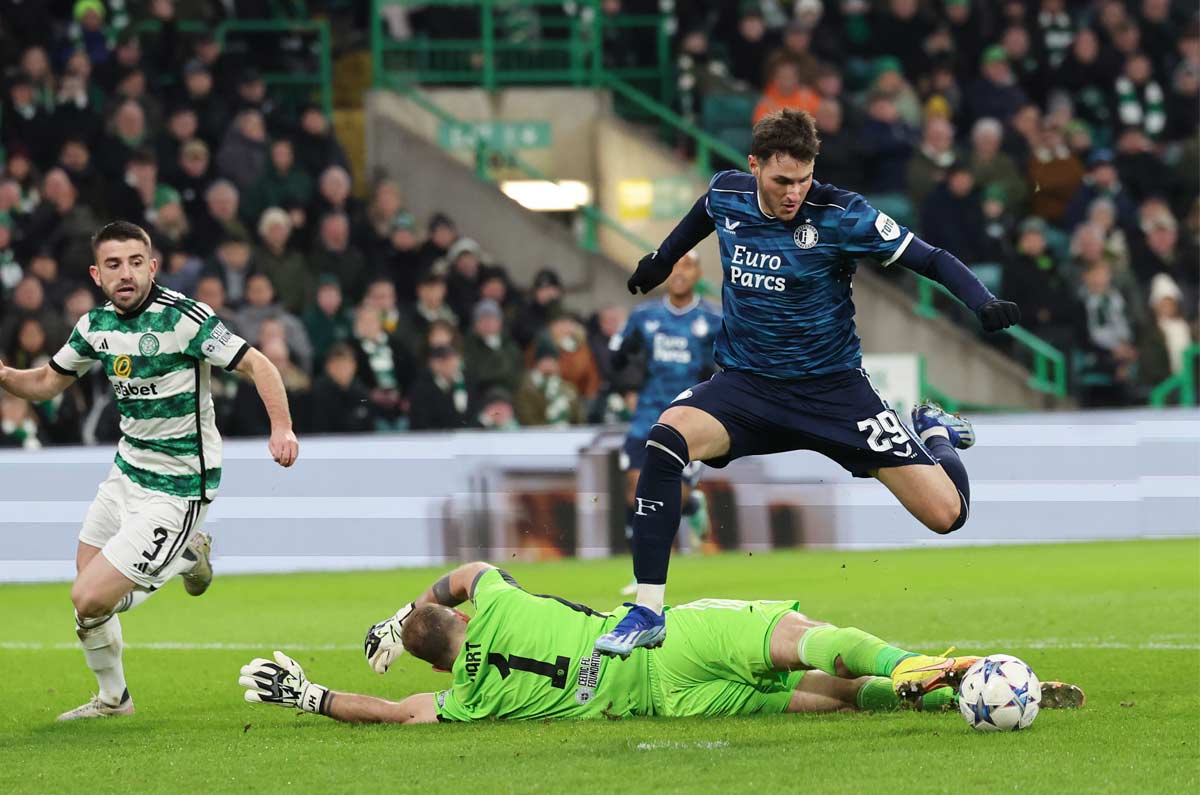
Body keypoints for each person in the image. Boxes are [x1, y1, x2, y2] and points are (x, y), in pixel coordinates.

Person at [596, 109, 1021, 659]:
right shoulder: (728, 193)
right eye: (781, 181)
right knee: (665, 437)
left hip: (834, 393)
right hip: (748, 386)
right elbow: (704, 213)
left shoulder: (844, 214)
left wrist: (982, 302)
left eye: (803, 179)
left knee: (948, 516)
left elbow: (931, 259)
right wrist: (661, 259)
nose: (794, 192)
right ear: (754, 167)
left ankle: (932, 431)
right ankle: (647, 609)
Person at [0, 220, 300, 720]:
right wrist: (6, 376)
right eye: (114, 264)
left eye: (136, 262)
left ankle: (184, 555)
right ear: (97, 274)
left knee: (88, 595)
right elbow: (46, 385)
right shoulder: (94, 326)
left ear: (152, 266)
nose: (127, 273)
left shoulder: (184, 319)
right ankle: (114, 700)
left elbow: (258, 365)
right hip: (126, 471)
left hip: (179, 485)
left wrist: (282, 429)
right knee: (89, 600)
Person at [239, 561, 1084, 724]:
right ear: (455, 620)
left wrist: (312, 694)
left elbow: (393, 711)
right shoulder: (489, 597)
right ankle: (923, 669)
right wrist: (400, 611)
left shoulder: (468, 699)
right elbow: (463, 571)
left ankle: (930, 691)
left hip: (662, 703)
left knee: (814, 698)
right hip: (664, 643)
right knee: (806, 640)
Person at [610, 251, 721, 567]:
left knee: (674, 495)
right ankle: (645, 567)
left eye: (686, 265)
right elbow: (619, 357)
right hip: (646, 414)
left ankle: (692, 506)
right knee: (634, 489)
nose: (678, 273)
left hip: (687, 417)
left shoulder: (713, 321)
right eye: (672, 266)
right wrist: (628, 389)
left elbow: (728, 367)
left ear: (698, 273)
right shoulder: (644, 317)